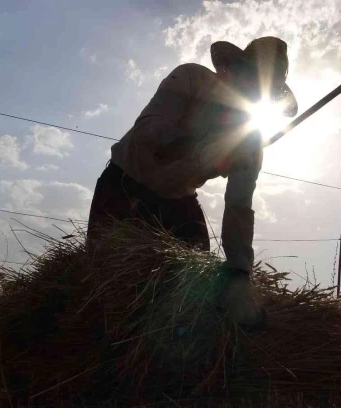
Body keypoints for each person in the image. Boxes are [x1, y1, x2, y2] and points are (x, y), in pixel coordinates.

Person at [87, 37, 298, 327]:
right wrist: (197, 150)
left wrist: (239, 274)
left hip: (178, 199)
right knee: (102, 286)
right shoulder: (190, 78)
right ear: (234, 68)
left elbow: (239, 205)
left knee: (196, 281)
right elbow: (148, 129)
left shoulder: (249, 141)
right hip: (126, 183)